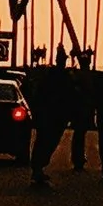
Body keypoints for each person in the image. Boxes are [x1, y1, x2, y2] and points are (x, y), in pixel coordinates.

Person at [27, 55, 71, 187]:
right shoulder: (62, 77)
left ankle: (38, 168)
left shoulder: (49, 75)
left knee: (45, 141)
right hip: (53, 115)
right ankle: (38, 168)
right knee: (48, 141)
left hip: (49, 115)